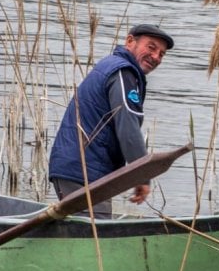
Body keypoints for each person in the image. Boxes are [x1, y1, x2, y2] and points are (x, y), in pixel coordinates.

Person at [48, 23, 174, 218]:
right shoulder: (124, 73)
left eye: (162, 54)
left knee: (89, 234)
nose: (156, 57)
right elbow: (128, 129)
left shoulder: (112, 65)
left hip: (79, 168)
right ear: (130, 41)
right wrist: (142, 175)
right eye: (151, 47)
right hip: (82, 171)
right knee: (96, 236)